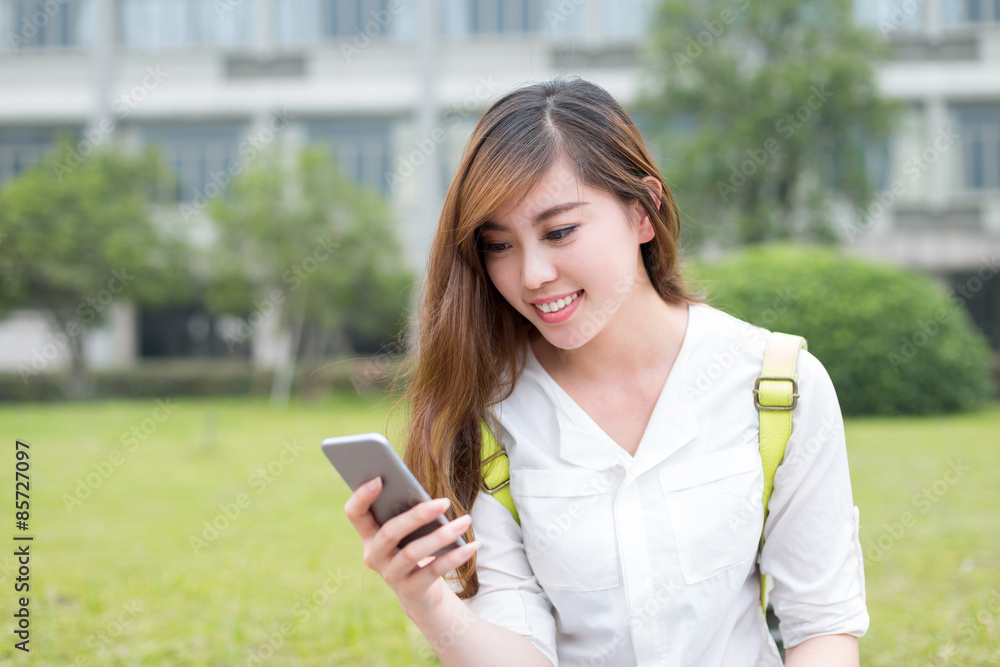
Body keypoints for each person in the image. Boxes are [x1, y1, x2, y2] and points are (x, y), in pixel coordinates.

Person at [344, 77, 869, 666]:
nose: (532, 274)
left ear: (644, 211)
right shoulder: (488, 415)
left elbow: (821, 627)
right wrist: (427, 601)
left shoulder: (777, 387)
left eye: (560, 231)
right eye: (499, 245)